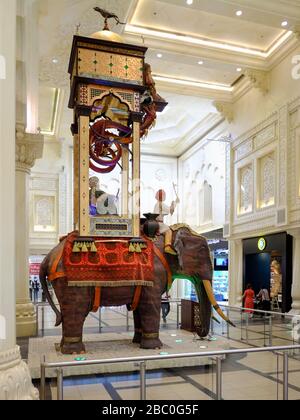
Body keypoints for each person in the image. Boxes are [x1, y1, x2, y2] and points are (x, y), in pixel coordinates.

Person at [153, 189, 179, 255]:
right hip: (158, 223)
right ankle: (167, 247)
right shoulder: (161, 204)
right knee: (168, 231)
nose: (165, 197)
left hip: (157, 222)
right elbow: (170, 210)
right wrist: (176, 202)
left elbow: (167, 211)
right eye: (164, 195)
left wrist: (173, 204)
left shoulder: (158, 204)